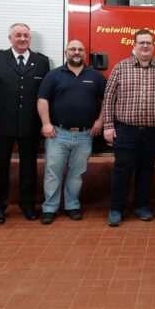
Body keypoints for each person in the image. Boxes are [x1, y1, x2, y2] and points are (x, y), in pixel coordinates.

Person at [0, 23, 51, 225]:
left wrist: (44, 123)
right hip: (2, 124)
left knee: (29, 168)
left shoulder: (41, 61)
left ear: (30, 39)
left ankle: (28, 205)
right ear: (10, 38)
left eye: (26, 36)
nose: (22, 39)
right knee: (0, 167)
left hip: (30, 124)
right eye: (18, 35)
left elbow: (45, 95)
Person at [103, 29, 155, 227]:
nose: (145, 46)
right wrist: (108, 125)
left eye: (149, 43)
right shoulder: (120, 68)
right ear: (134, 45)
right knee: (122, 169)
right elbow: (109, 98)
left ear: (154, 45)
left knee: (147, 169)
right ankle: (116, 208)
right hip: (126, 130)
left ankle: (141, 206)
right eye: (141, 43)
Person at [37, 40, 106, 225]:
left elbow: (108, 100)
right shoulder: (53, 75)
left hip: (85, 135)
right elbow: (42, 100)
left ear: (85, 53)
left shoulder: (96, 76)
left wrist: (100, 121)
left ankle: (72, 205)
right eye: (73, 49)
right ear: (66, 52)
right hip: (58, 133)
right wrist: (46, 124)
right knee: (53, 172)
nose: (77, 52)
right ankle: (50, 208)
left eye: (80, 49)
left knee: (77, 173)